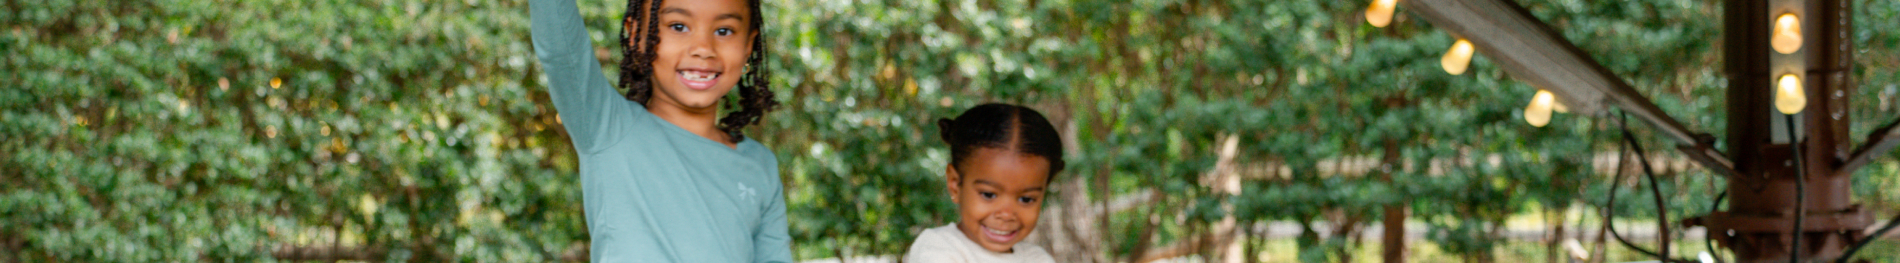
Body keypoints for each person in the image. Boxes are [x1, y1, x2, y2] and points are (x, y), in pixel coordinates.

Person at [528, 0, 789, 261]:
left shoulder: (760, 164)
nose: (703, 49)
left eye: (724, 31)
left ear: (748, 46)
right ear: (635, 35)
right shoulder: (608, 128)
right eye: (678, 26)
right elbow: (559, 48)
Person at [904, 103, 1063, 263]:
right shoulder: (938, 247)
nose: (1007, 214)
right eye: (989, 195)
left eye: (1026, 199)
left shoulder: (1037, 258)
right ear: (955, 184)